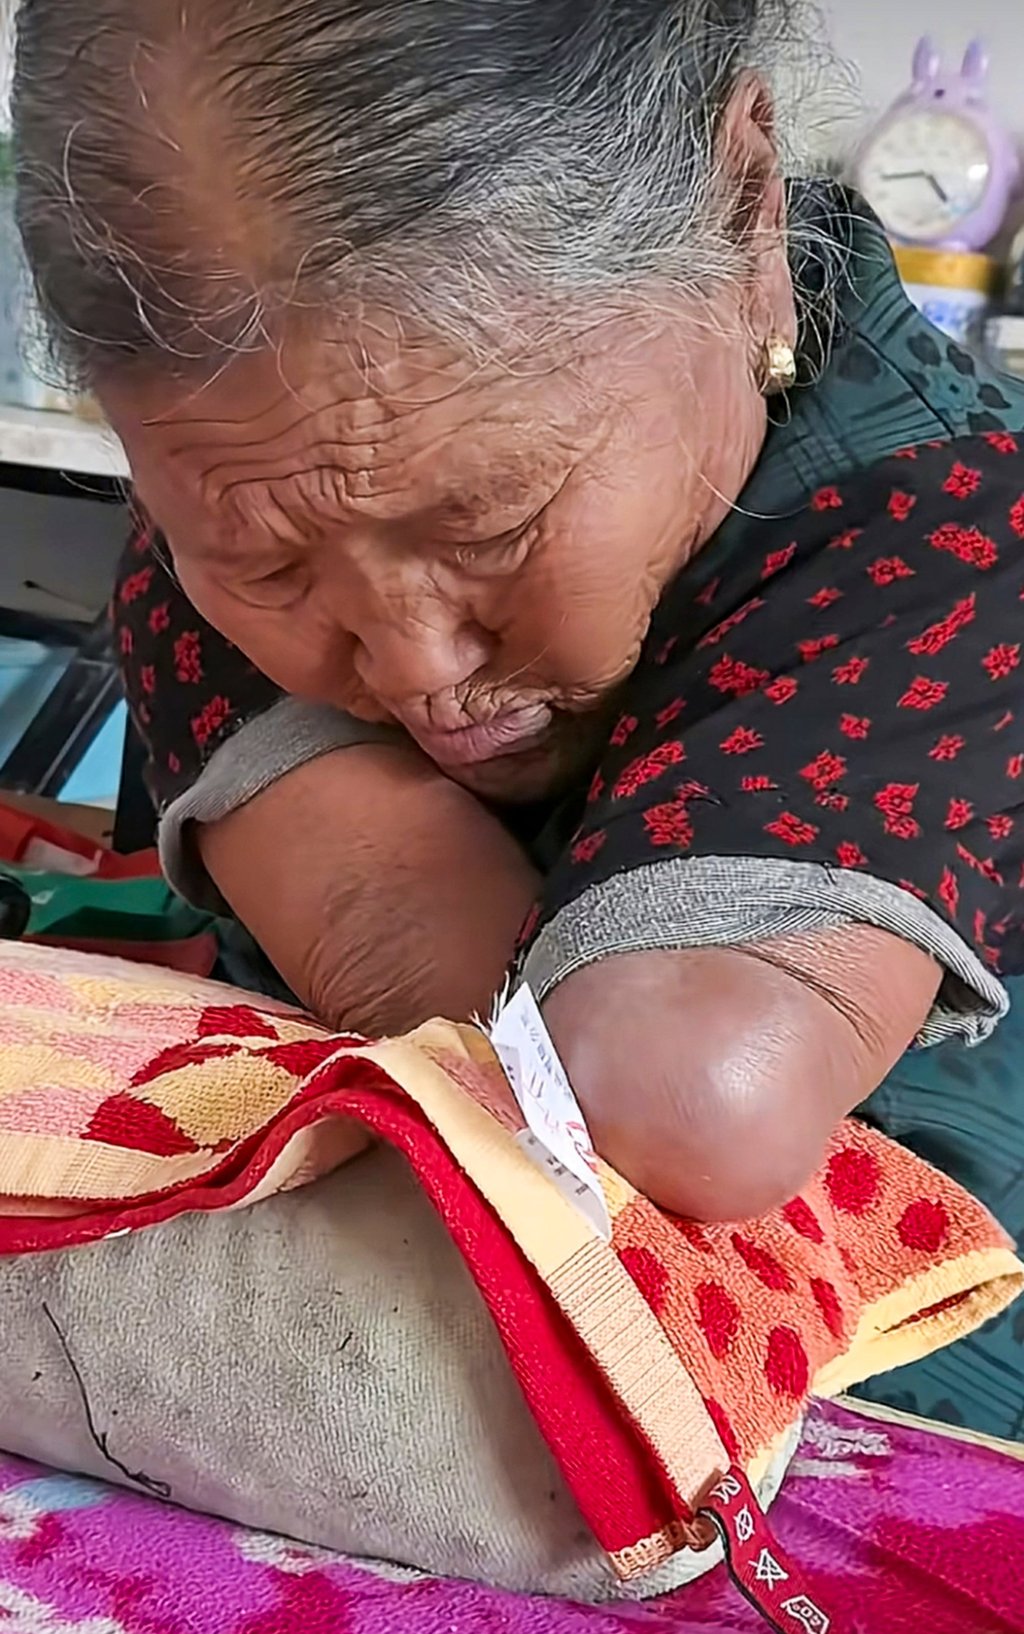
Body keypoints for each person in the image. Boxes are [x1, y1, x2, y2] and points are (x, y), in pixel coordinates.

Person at [12, 0, 1024, 1435]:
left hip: (890, 1434)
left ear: (740, 214)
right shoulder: (238, 486)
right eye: (273, 571)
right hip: (345, 1377)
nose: (414, 663)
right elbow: (398, 937)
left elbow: (666, 1107)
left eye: (490, 526)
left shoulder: (961, 540)